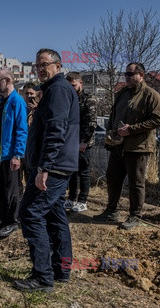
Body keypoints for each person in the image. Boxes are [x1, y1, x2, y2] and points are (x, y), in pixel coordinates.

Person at [15, 48, 79, 293]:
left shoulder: (58, 90)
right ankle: (61, 269)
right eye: (37, 65)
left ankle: (42, 277)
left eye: (45, 64)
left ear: (58, 65)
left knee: (30, 213)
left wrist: (44, 168)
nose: (41, 69)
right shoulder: (54, 89)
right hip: (57, 165)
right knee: (55, 216)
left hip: (53, 167)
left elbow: (56, 131)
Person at [93, 62, 160, 230]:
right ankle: (111, 211)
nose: (127, 77)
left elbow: (157, 120)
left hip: (138, 147)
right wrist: (110, 132)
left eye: (130, 74)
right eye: (125, 74)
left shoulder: (150, 95)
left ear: (141, 75)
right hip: (118, 146)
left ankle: (135, 216)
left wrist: (131, 130)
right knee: (112, 177)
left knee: (136, 183)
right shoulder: (122, 93)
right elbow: (114, 114)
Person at [0, 69, 28, 237]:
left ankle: (12, 221)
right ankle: (4, 220)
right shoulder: (2, 102)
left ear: (8, 80)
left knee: (11, 190)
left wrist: (17, 154)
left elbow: (21, 129)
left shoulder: (16, 101)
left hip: (11, 154)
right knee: (0, 189)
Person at [64, 72, 97, 212]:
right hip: (71, 141)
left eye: (74, 85)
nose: (71, 88)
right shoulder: (69, 98)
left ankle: (82, 200)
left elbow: (91, 123)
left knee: (83, 171)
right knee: (71, 171)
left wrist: (84, 141)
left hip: (83, 142)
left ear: (80, 84)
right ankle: (71, 198)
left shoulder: (89, 99)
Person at [20, 82, 42, 192]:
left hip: (32, 150)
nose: (29, 96)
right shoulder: (20, 108)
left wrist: (36, 111)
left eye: (31, 94)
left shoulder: (40, 109)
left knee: (31, 179)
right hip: (20, 149)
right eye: (26, 93)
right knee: (17, 180)